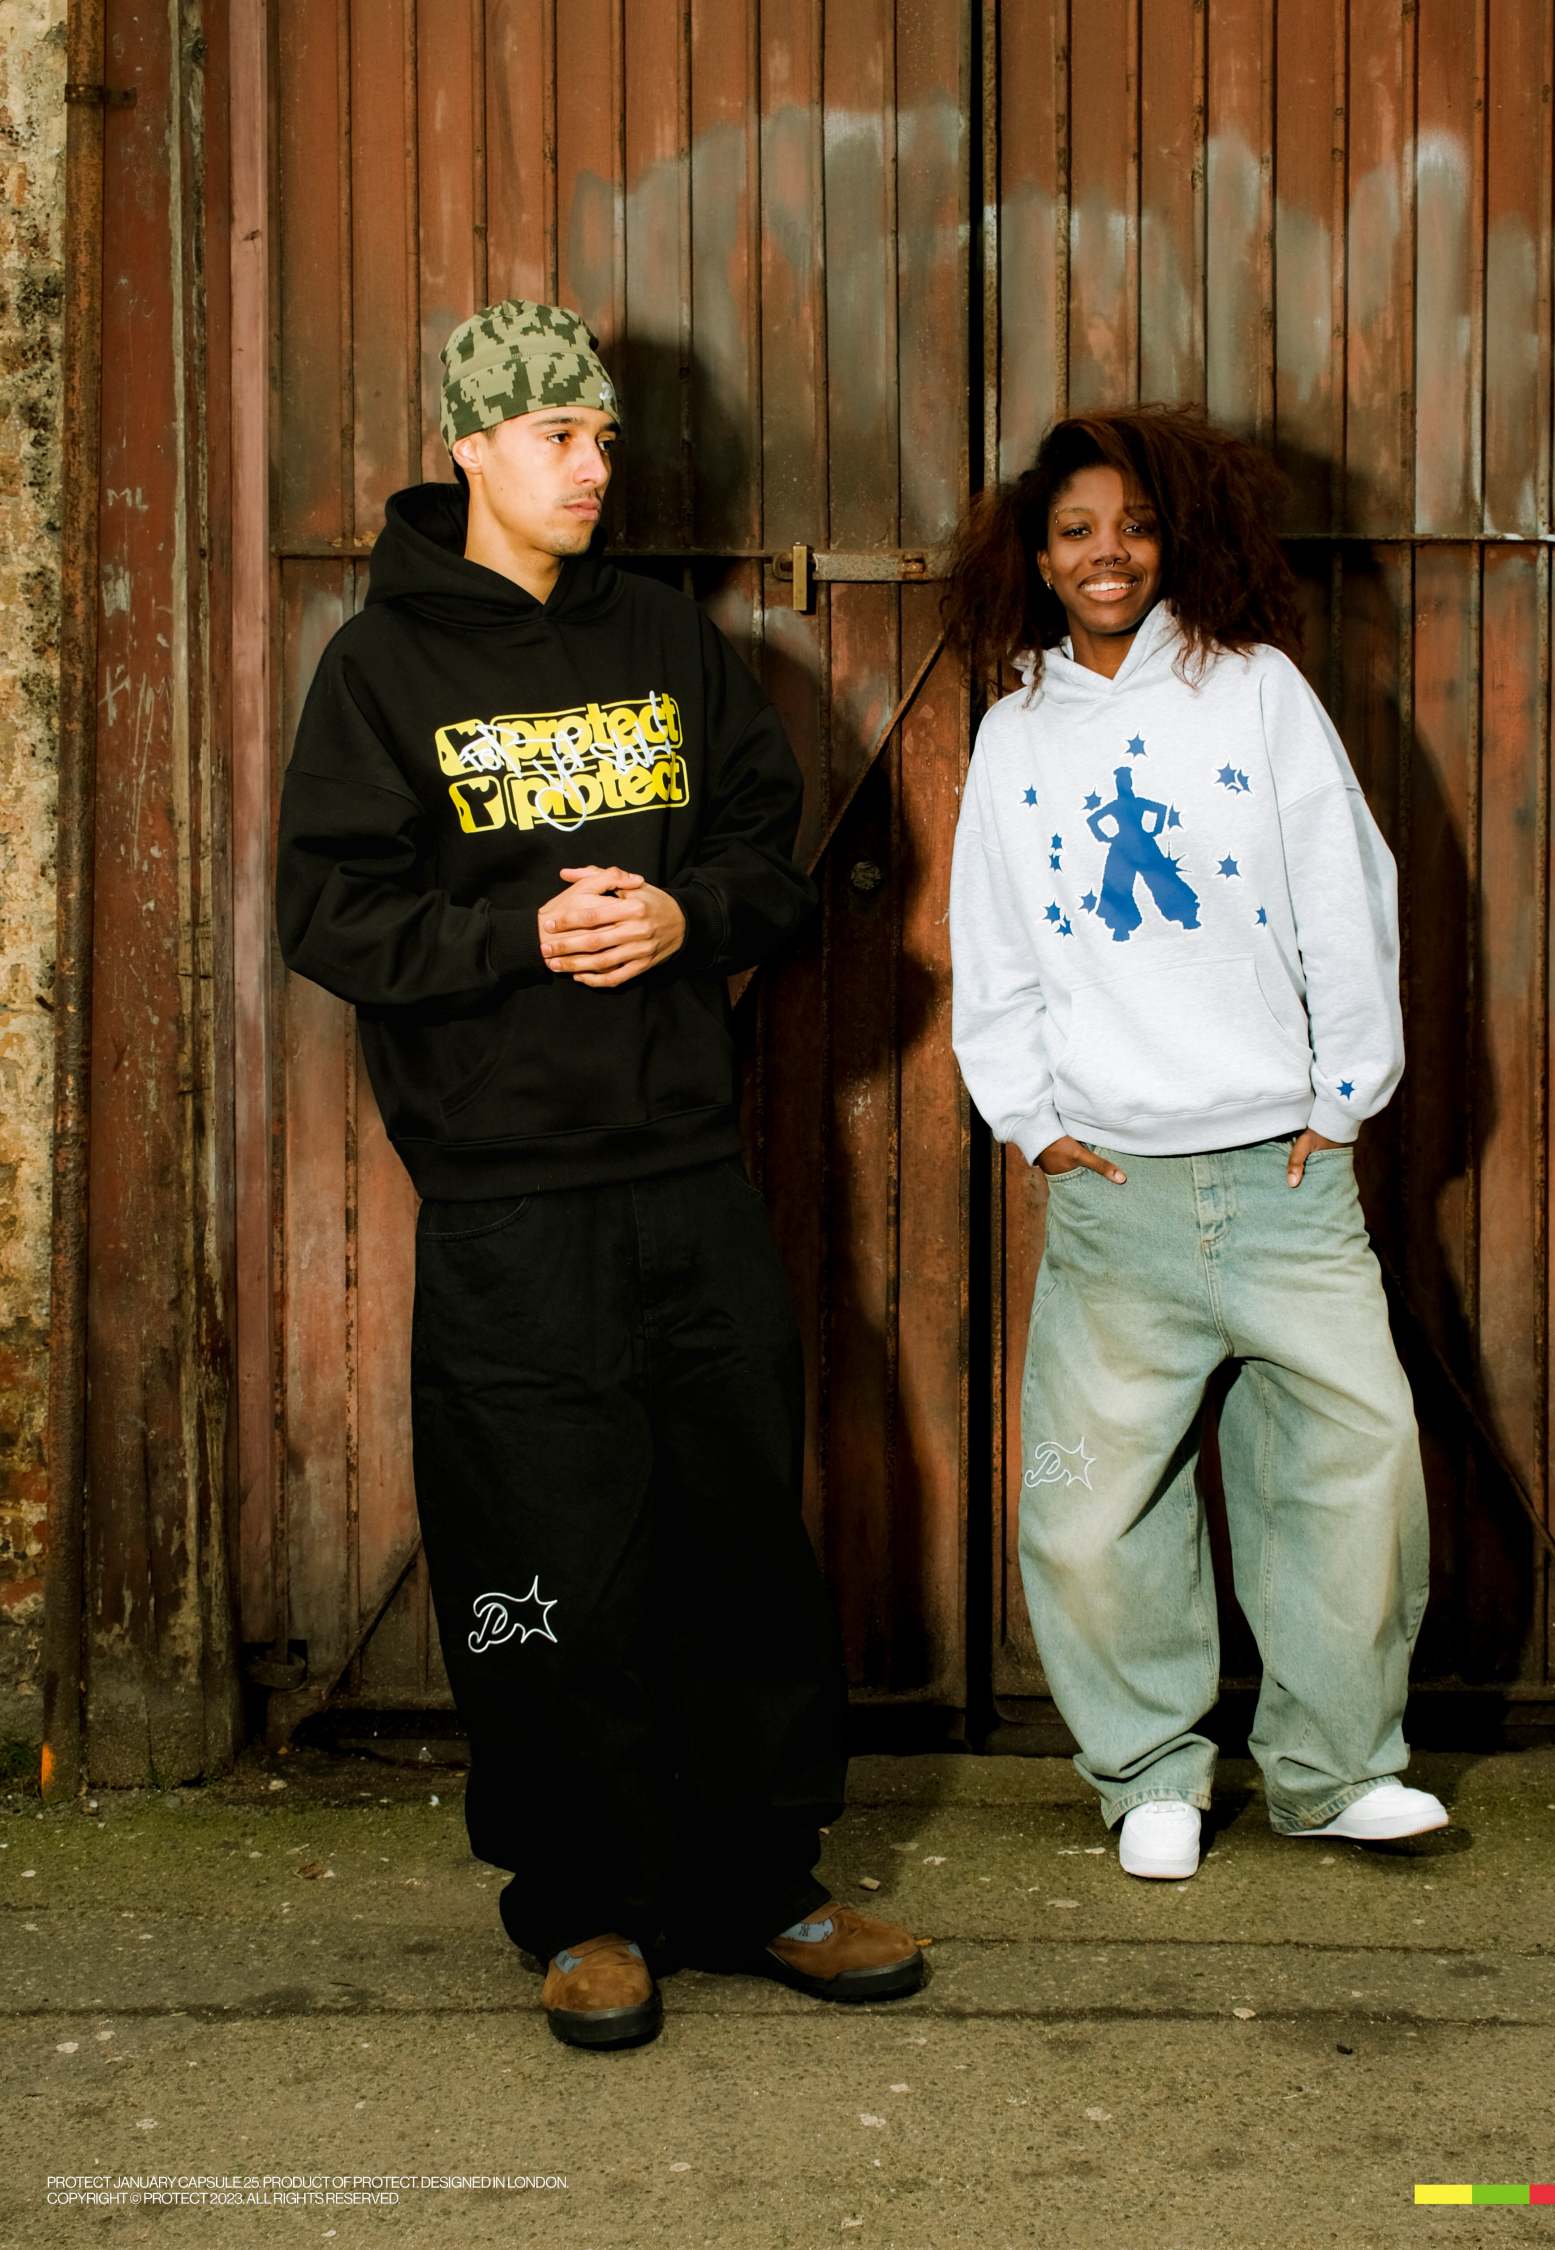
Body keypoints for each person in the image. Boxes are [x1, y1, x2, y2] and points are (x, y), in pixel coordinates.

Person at [276, 299, 923, 2048]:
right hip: (506, 1198)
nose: (593, 466)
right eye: (559, 435)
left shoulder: (664, 640)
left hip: (687, 1169)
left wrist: (688, 914)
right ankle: (584, 1908)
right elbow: (327, 912)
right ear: (470, 444)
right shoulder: (380, 668)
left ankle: (760, 1883)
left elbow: (772, 861)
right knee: (546, 1559)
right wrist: (524, 934)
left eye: (607, 438)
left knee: (738, 1537)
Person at [944, 404, 1444, 1882]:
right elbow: (994, 946)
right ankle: (1151, 1771)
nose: (1110, 554)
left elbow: (1348, 887)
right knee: (1094, 1500)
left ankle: (1334, 1769)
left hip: (1285, 1178)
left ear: (1177, 541)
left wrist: (1343, 1096)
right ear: (1037, 558)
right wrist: (1032, 1124)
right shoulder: (1014, 734)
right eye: (1078, 531)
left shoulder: (1256, 690)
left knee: (1354, 1463)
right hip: (1116, 1189)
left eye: (1137, 526)